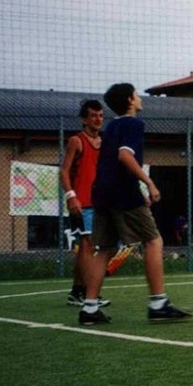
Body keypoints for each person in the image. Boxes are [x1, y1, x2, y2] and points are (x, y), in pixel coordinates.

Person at [78, 83, 192, 325]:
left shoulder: (110, 127)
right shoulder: (133, 124)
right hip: (123, 193)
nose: (140, 98)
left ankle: (88, 308)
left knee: (105, 248)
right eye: (136, 94)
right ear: (130, 100)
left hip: (102, 193)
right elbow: (124, 156)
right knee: (154, 240)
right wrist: (149, 183)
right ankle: (159, 303)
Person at [60, 99, 109, 308]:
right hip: (82, 203)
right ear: (84, 119)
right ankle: (90, 293)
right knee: (88, 245)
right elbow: (64, 171)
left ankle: (77, 291)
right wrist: (71, 196)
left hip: (100, 202)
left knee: (86, 248)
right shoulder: (76, 141)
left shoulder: (105, 142)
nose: (97, 119)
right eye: (92, 116)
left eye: (100, 115)